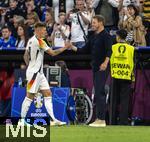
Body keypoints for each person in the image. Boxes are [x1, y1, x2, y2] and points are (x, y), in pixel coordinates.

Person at [21, 22, 70, 126]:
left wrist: (30, 66)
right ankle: (22, 121)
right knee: (29, 96)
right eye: (43, 30)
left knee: (48, 94)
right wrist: (65, 48)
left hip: (39, 73)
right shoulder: (39, 41)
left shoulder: (30, 40)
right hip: (34, 73)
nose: (45, 32)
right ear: (38, 30)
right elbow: (52, 53)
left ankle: (53, 119)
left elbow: (25, 56)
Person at [71, 15, 112, 127]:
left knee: (100, 93)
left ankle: (101, 119)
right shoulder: (93, 37)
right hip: (95, 68)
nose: (92, 24)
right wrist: (71, 47)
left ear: (100, 23)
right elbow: (84, 50)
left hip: (103, 67)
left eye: (94, 22)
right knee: (98, 92)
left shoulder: (106, 36)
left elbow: (109, 51)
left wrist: (105, 62)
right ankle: (99, 119)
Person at [110, 29, 134, 125]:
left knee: (114, 100)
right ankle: (123, 121)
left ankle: (113, 121)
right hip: (126, 76)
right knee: (125, 100)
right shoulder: (131, 48)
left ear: (118, 37)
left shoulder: (113, 47)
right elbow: (133, 63)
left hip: (115, 75)